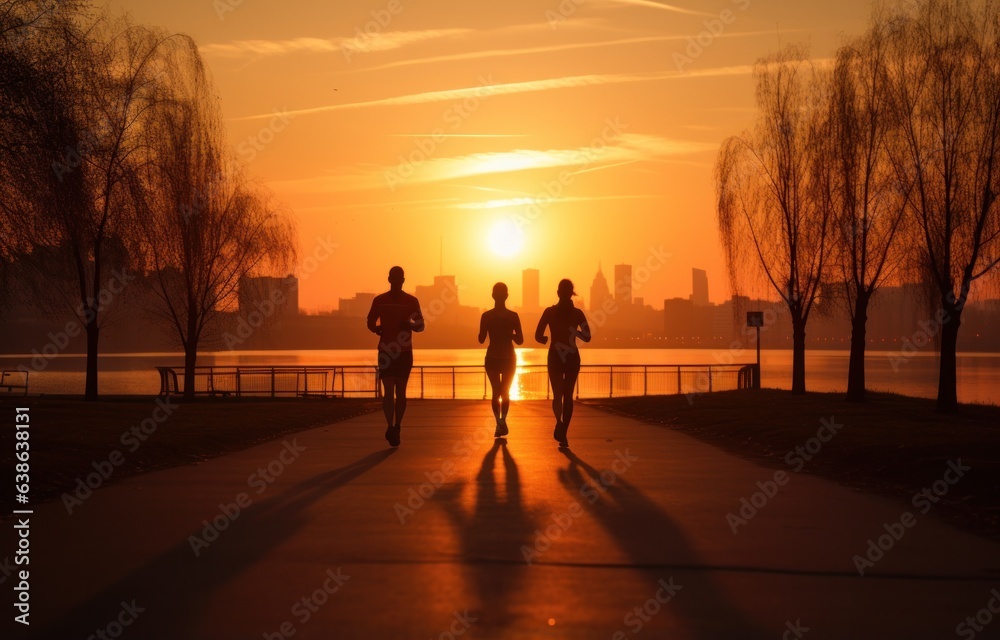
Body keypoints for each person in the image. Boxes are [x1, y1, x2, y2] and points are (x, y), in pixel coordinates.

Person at [367, 266, 424, 446]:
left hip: (404, 352)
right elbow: (370, 321)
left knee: (400, 391)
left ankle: (396, 426)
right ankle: (391, 426)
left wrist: (410, 325)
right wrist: (376, 329)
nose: (397, 280)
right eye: (395, 277)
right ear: (390, 279)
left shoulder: (411, 301)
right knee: (389, 391)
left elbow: (421, 325)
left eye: (399, 278)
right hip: (386, 351)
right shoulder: (379, 300)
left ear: (403, 280)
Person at [535, 278, 591, 447]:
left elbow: (538, 336)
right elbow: (587, 337)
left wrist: (545, 339)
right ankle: (563, 432)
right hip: (572, 356)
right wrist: (575, 332)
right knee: (568, 396)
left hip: (555, 356)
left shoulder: (549, 312)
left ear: (558, 293)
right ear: (571, 294)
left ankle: (559, 424)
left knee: (558, 395)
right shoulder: (577, 314)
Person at [478, 282, 524, 438]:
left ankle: (499, 423)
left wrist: (489, 330)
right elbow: (520, 340)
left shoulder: (486, 316)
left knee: (496, 391)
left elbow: (481, 339)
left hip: (493, 357)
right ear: (507, 296)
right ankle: (502, 421)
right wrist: (508, 334)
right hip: (508, 358)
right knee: (504, 392)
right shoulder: (513, 316)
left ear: (492, 295)